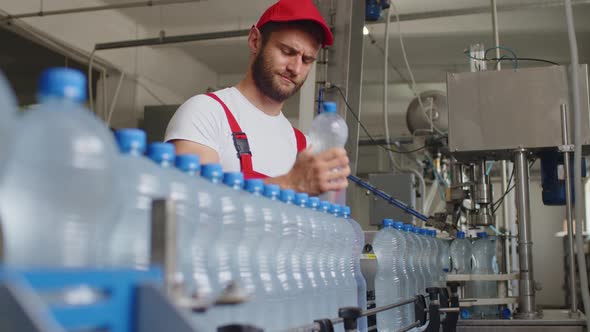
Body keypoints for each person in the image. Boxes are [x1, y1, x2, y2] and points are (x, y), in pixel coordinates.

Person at [165, 0, 350, 195]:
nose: (295, 68)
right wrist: (289, 184)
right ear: (255, 41)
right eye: (287, 52)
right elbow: (192, 202)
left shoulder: (302, 146)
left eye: (306, 60)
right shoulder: (205, 113)